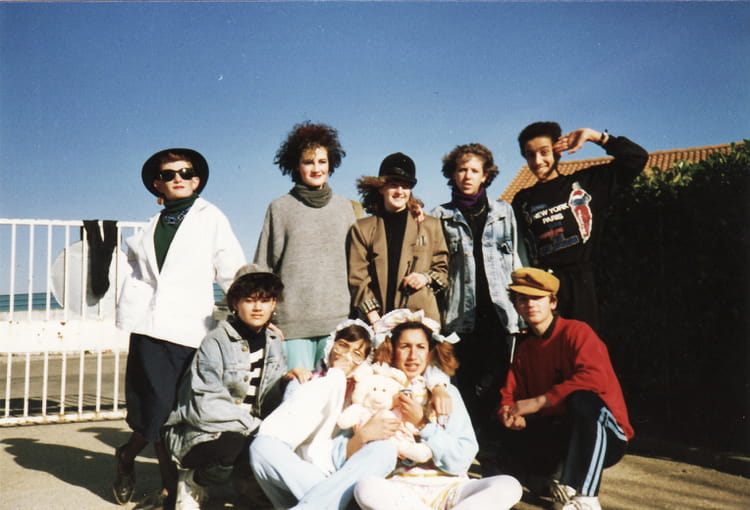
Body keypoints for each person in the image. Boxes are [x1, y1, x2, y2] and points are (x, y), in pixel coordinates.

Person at [114, 148, 246, 508]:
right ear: (157, 184)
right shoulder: (150, 226)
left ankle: (127, 455)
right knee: (157, 410)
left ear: (196, 180)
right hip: (150, 328)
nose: (178, 178)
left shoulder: (210, 217)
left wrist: (251, 312)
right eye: (169, 174)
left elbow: (232, 270)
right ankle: (169, 490)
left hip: (191, 329)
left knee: (175, 411)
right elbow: (136, 276)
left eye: (186, 172)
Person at [162, 265, 305, 510]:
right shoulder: (216, 342)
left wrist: (285, 381)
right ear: (235, 303)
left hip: (249, 430)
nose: (258, 307)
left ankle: (249, 484)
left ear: (274, 304)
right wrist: (256, 429)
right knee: (234, 446)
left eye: (265, 300)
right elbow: (205, 405)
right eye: (249, 300)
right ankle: (193, 480)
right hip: (204, 432)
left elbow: (266, 398)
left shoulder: (273, 341)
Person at [354, 309, 523, 510]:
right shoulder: (378, 390)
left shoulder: (446, 392)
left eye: (420, 347)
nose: (413, 356)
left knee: (509, 485)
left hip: (450, 487)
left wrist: (423, 424)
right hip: (402, 491)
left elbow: (462, 460)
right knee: (365, 488)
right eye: (405, 346)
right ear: (392, 349)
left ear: (429, 352)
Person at [499, 267, 633, 510]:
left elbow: (594, 379)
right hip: (563, 431)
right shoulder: (525, 349)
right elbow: (510, 394)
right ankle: (556, 479)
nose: (530, 305)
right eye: (522, 299)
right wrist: (508, 413)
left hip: (607, 433)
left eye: (537, 298)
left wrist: (539, 402)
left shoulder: (577, 332)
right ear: (516, 306)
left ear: (553, 302)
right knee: (509, 440)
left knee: (581, 399)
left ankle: (586, 499)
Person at [430, 143, 524, 453]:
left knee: (499, 384)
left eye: (474, 170)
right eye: (461, 170)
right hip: (461, 317)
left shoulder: (504, 212)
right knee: (466, 384)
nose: (467, 176)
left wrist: (521, 310)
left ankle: (499, 450)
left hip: (500, 313)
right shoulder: (440, 216)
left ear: (485, 176)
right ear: (453, 174)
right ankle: (474, 449)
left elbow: (517, 260)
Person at [249, 319, 400, 510]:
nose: (346, 356)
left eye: (356, 353)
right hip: (303, 472)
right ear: (331, 345)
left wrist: (361, 437)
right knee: (261, 446)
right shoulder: (305, 380)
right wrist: (336, 374)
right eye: (343, 346)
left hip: (345, 474)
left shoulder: (368, 391)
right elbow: (290, 430)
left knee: (385, 449)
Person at [513, 123, 649, 331]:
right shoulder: (522, 200)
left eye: (544, 152)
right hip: (547, 291)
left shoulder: (586, 184)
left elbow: (636, 158)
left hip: (588, 288)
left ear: (558, 151)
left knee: (589, 346)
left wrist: (594, 136)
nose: (538, 161)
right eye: (530, 155)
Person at [253, 122, 358, 371]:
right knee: (296, 392)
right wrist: (264, 316)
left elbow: (358, 264)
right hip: (291, 327)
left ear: (331, 164)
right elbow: (264, 267)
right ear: (296, 166)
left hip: (338, 325)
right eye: (308, 162)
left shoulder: (346, 208)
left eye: (322, 161)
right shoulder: (280, 208)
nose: (316, 168)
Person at [347, 152, 449, 324]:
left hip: (420, 321)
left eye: (405, 186)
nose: (400, 191)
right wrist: (375, 320)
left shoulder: (430, 225)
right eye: (393, 185)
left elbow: (443, 270)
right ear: (381, 188)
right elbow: (357, 278)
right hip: (377, 322)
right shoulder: (362, 228)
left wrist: (425, 277)